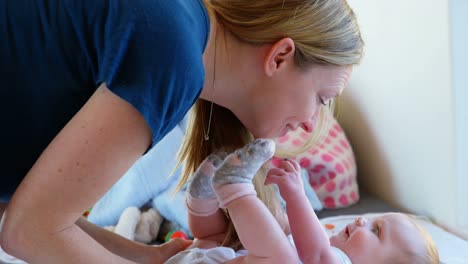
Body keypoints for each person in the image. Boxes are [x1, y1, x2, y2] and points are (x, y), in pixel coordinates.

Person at [0, 0, 363, 263]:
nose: (311, 123)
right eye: (321, 97)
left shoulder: (179, 30)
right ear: (280, 56)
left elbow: (24, 212)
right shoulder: (171, 55)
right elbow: (30, 230)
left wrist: (146, 257)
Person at [169, 139, 440, 264]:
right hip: (203, 258)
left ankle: (233, 187)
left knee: (281, 259)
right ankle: (203, 199)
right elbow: (293, 235)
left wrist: (296, 195)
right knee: (217, 237)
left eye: (376, 231)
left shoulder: (334, 261)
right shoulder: (326, 247)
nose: (362, 220)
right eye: (373, 221)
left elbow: (316, 255)